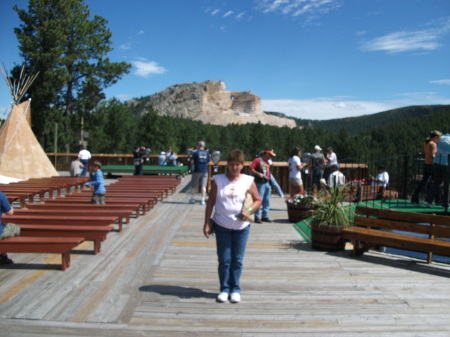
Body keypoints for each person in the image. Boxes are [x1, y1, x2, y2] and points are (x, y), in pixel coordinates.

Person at [203, 149, 262, 303]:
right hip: (221, 224)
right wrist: (206, 223)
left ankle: (235, 288)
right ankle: (224, 288)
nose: (234, 168)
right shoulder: (218, 180)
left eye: (237, 164)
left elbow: (257, 200)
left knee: (237, 259)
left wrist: (249, 210)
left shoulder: (248, 180)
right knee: (224, 259)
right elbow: (210, 202)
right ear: (227, 164)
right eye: (231, 164)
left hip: (241, 227)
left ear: (242, 165)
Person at [411, 131, 442, 205]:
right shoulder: (433, 144)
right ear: (435, 137)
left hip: (426, 164)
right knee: (437, 182)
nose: (438, 140)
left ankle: (415, 197)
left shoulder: (426, 144)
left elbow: (419, 151)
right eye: (438, 138)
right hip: (432, 165)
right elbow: (432, 156)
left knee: (423, 182)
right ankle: (438, 200)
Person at [249, 148, 276, 223]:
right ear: (266, 154)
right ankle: (256, 216)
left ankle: (265, 216)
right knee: (259, 199)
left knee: (267, 200)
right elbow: (251, 169)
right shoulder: (257, 160)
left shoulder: (267, 161)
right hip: (260, 182)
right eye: (270, 155)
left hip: (267, 181)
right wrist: (258, 173)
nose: (271, 156)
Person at [425, 132, 450, 209]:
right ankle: (445, 204)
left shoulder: (442, 138)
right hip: (446, 164)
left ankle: (428, 201)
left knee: (436, 182)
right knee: (447, 184)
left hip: (437, 162)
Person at [0, 192, 20, 265]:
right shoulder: (1, 195)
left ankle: (3, 256)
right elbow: (10, 213)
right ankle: (3, 256)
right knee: (14, 227)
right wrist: (10, 207)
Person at [189, 141, 211, 205]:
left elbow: (192, 161)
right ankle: (202, 200)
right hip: (205, 170)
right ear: (203, 146)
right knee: (203, 186)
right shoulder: (207, 153)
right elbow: (209, 162)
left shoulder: (195, 153)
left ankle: (193, 198)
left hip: (197, 170)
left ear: (198, 145)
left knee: (194, 185)